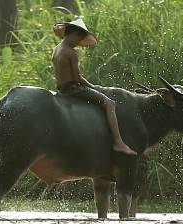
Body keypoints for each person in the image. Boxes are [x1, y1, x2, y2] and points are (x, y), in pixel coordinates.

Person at [52, 17, 137, 156]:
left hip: (61, 89)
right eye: (79, 39)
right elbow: (78, 78)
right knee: (109, 103)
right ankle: (118, 142)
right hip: (73, 90)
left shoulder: (57, 49)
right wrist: (94, 87)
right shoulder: (71, 53)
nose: (79, 43)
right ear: (74, 35)